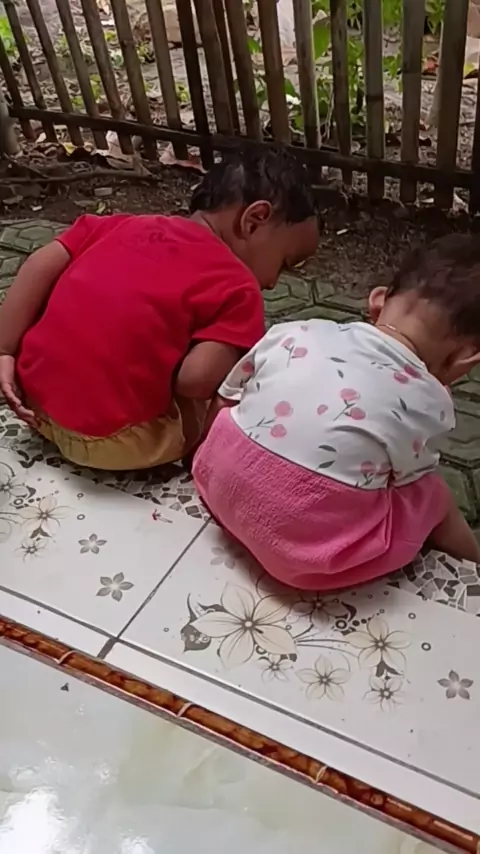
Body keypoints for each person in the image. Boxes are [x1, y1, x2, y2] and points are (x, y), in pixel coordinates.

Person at [0, 149, 319, 470]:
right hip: (117, 442)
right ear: (254, 220)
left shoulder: (117, 224)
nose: (273, 283)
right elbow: (194, 381)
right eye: (285, 263)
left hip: (32, 403)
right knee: (217, 400)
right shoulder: (239, 289)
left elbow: (39, 264)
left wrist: (5, 351)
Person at [193, 235, 480, 590]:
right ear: (466, 357)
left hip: (218, 492)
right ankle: (471, 568)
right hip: (305, 559)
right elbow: (407, 480)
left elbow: (225, 399)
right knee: (432, 494)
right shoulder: (430, 402)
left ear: (378, 300)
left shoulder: (293, 331)